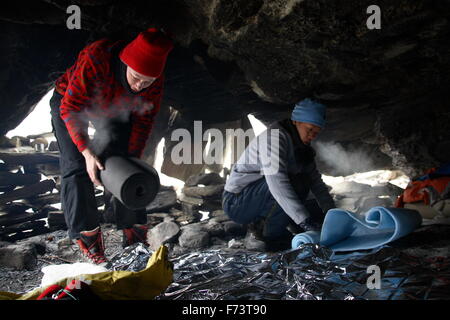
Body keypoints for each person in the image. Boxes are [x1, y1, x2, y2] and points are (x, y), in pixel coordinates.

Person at [50, 28, 174, 264]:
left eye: (146, 82)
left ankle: (134, 233)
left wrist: (133, 158)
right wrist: (87, 152)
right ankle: (89, 239)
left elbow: (144, 120)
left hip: (115, 108)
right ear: (125, 64)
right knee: (77, 167)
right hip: (71, 102)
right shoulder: (96, 57)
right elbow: (71, 107)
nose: (139, 85)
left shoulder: (152, 84)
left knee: (126, 166)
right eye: (136, 77)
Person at [222, 99, 336, 251]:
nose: (312, 136)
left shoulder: (303, 146)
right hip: (237, 202)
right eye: (309, 130)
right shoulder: (274, 138)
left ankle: (279, 224)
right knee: (293, 183)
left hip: (257, 197)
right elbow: (277, 183)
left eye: (316, 132)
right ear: (296, 121)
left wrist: (332, 213)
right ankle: (264, 234)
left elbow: (316, 182)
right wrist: (304, 221)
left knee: (304, 183)